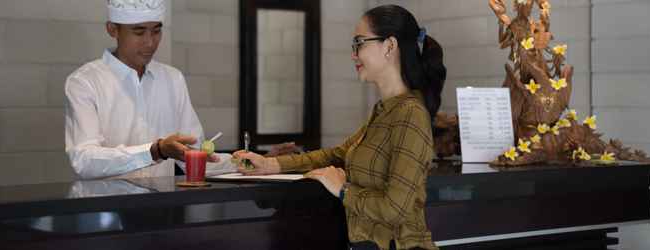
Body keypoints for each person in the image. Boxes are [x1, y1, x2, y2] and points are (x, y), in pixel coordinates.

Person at [234, 5, 446, 250]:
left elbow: (396, 208)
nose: (354, 55)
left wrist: (344, 190)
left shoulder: (410, 114)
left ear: (389, 46)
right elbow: (337, 154)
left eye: (359, 43)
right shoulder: (384, 110)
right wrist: (270, 164)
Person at [64, 0, 216, 180]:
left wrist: (244, 163)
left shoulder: (172, 79)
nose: (150, 42)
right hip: (106, 205)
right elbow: (84, 161)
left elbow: (193, 154)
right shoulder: (85, 82)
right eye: (139, 32)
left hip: (163, 204)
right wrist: (155, 151)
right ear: (113, 29)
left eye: (156, 31)